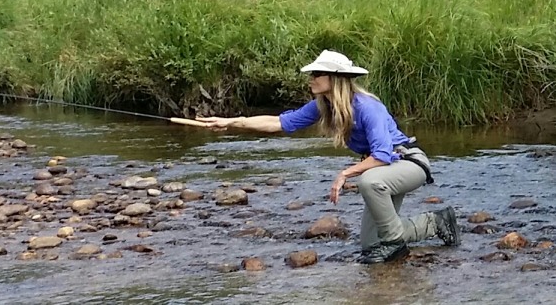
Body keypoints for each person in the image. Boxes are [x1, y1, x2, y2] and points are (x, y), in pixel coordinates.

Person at [196, 49, 461, 264]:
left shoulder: (368, 107)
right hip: (382, 170)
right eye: (312, 73)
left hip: (407, 163)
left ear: (335, 78)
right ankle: (435, 222)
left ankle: (395, 247)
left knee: (369, 183)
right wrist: (232, 122)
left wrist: (345, 174)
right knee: (370, 244)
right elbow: (277, 122)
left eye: (317, 73)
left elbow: (382, 153)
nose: (311, 77)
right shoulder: (324, 105)